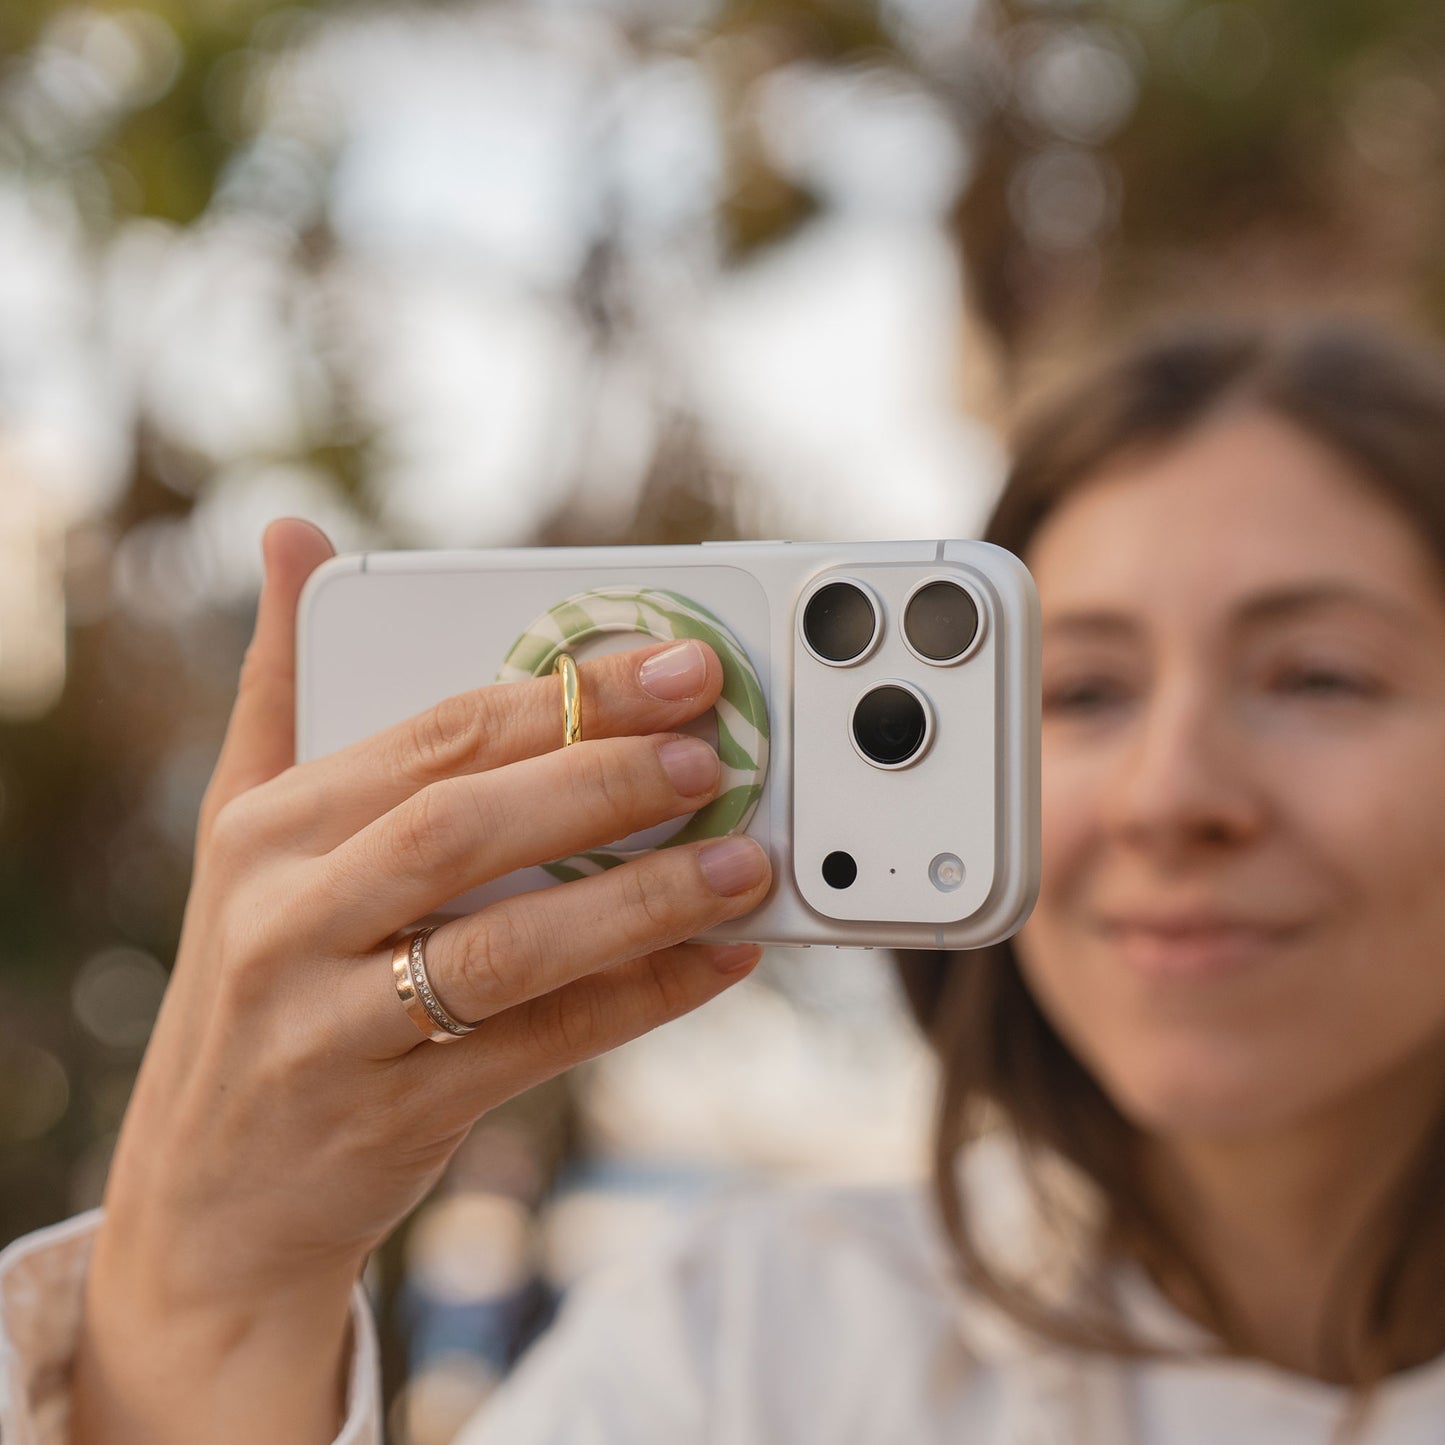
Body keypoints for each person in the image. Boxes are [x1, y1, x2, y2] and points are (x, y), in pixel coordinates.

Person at [3, 313, 1445, 1445]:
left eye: (1317, 675)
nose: (1174, 795)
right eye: (1076, 691)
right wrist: (211, 1283)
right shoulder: (754, 1347)